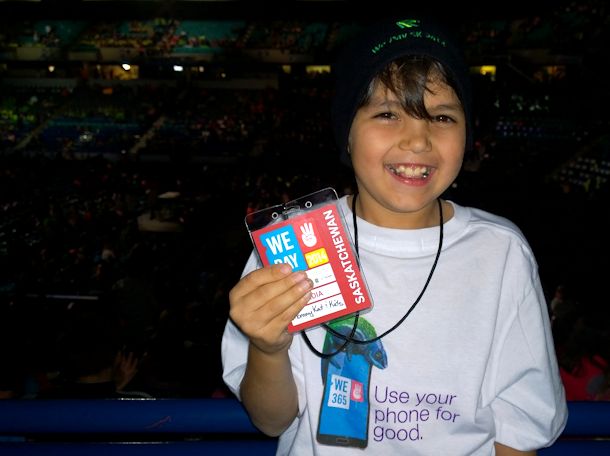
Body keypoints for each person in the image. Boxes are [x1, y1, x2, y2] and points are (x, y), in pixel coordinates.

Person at [221, 15, 567, 455]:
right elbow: (272, 420)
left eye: (442, 116)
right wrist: (268, 347)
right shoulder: (291, 245)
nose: (417, 140)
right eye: (387, 113)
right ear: (346, 131)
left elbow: (519, 428)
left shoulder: (501, 252)